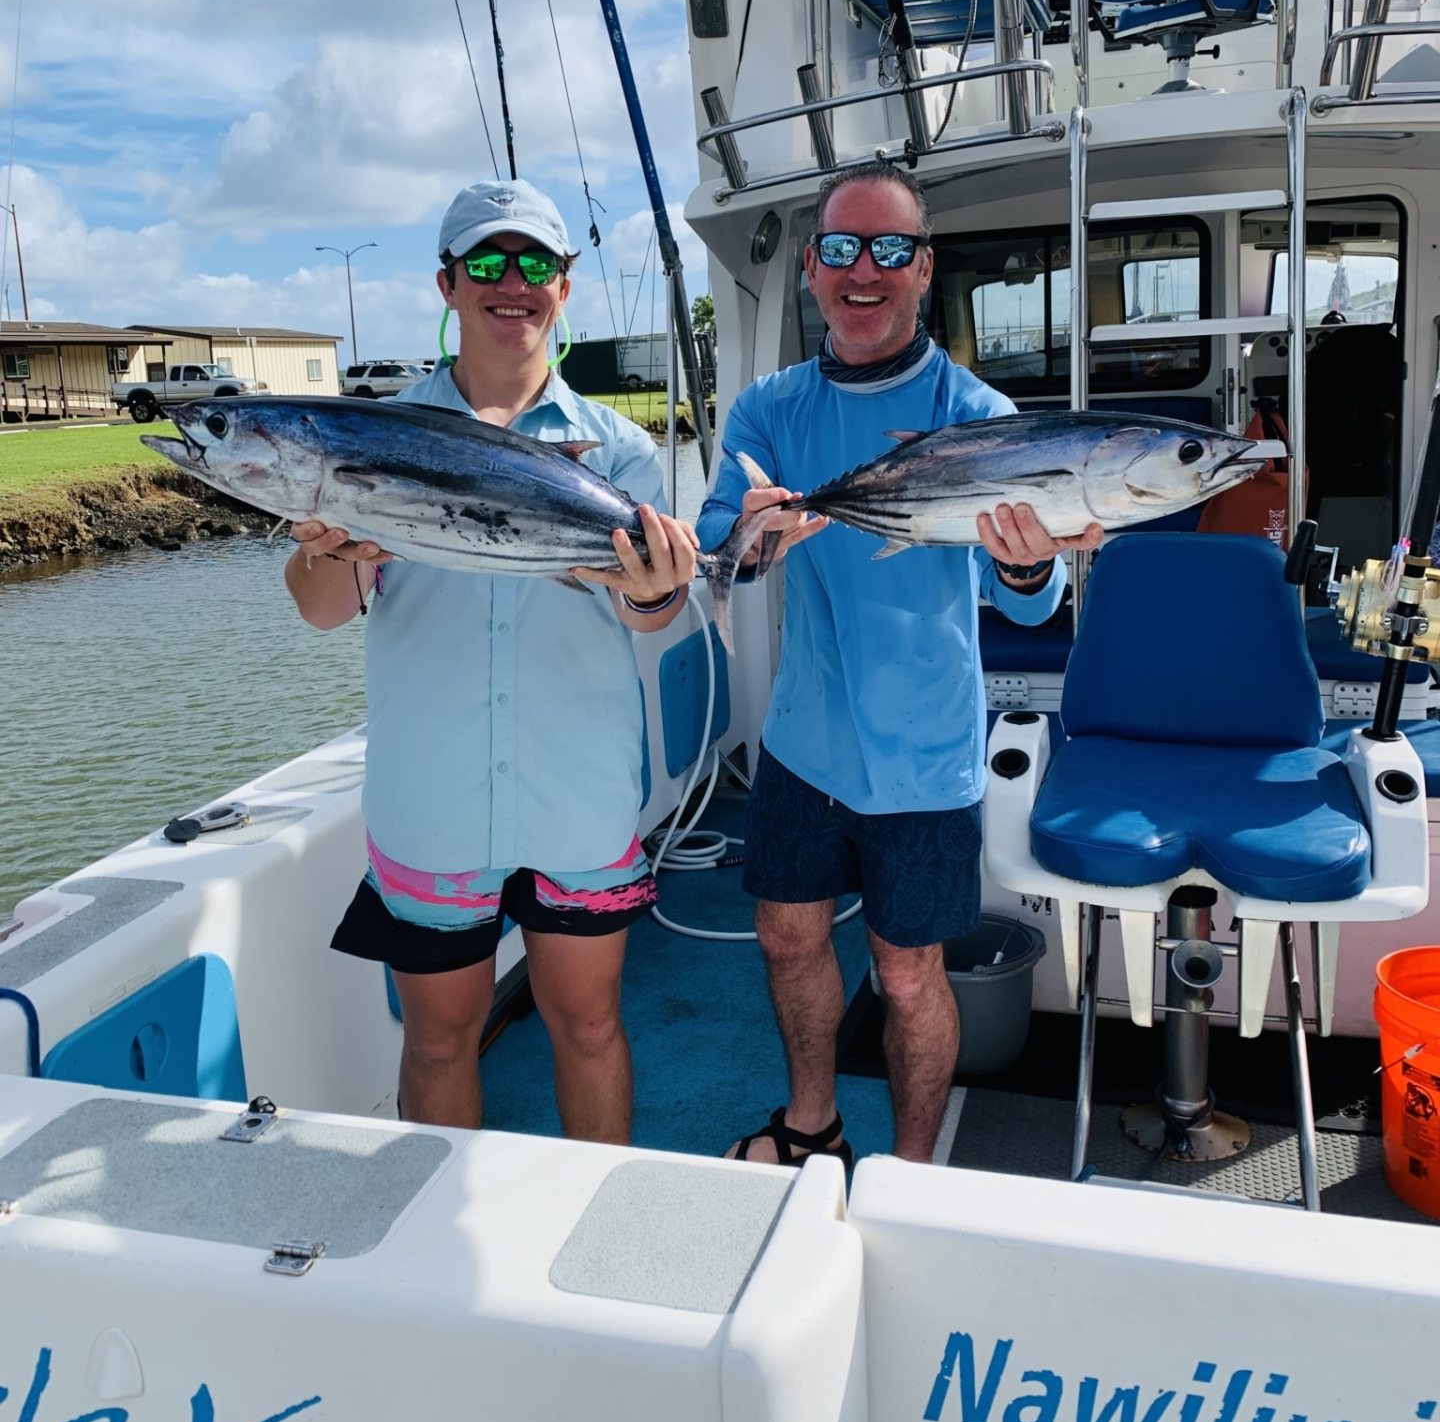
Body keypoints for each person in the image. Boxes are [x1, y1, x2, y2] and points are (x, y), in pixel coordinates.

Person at [696, 160, 1103, 1169]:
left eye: (887, 249)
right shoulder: (768, 411)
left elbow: (1034, 600)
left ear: (923, 269)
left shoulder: (979, 415)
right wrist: (749, 534)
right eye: (841, 248)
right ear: (812, 271)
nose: (862, 270)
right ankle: (812, 1125)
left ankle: (912, 1172)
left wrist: (1025, 566)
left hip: (924, 756)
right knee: (788, 940)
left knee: (910, 971)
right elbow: (721, 556)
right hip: (802, 741)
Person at [285, 177, 697, 1136]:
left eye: (535, 264)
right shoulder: (368, 440)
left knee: (588, 1025)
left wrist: (657, 586)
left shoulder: (618, 450)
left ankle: (595, 1235)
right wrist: (328, 552)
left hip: (577, 791)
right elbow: (319, 611)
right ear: (446, 284)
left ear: (565, 284)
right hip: (433, 795)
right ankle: (430, 1256)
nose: (511, 283)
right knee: (436, 1040)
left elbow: (652, 616)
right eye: (485, 262)